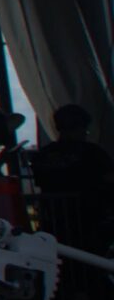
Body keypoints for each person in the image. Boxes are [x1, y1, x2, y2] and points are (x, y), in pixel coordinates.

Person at [33, 104, 112, 253]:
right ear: (81, 127)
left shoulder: (43, 155)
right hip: (91, 222)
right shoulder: (92, 153)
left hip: (55, 222)